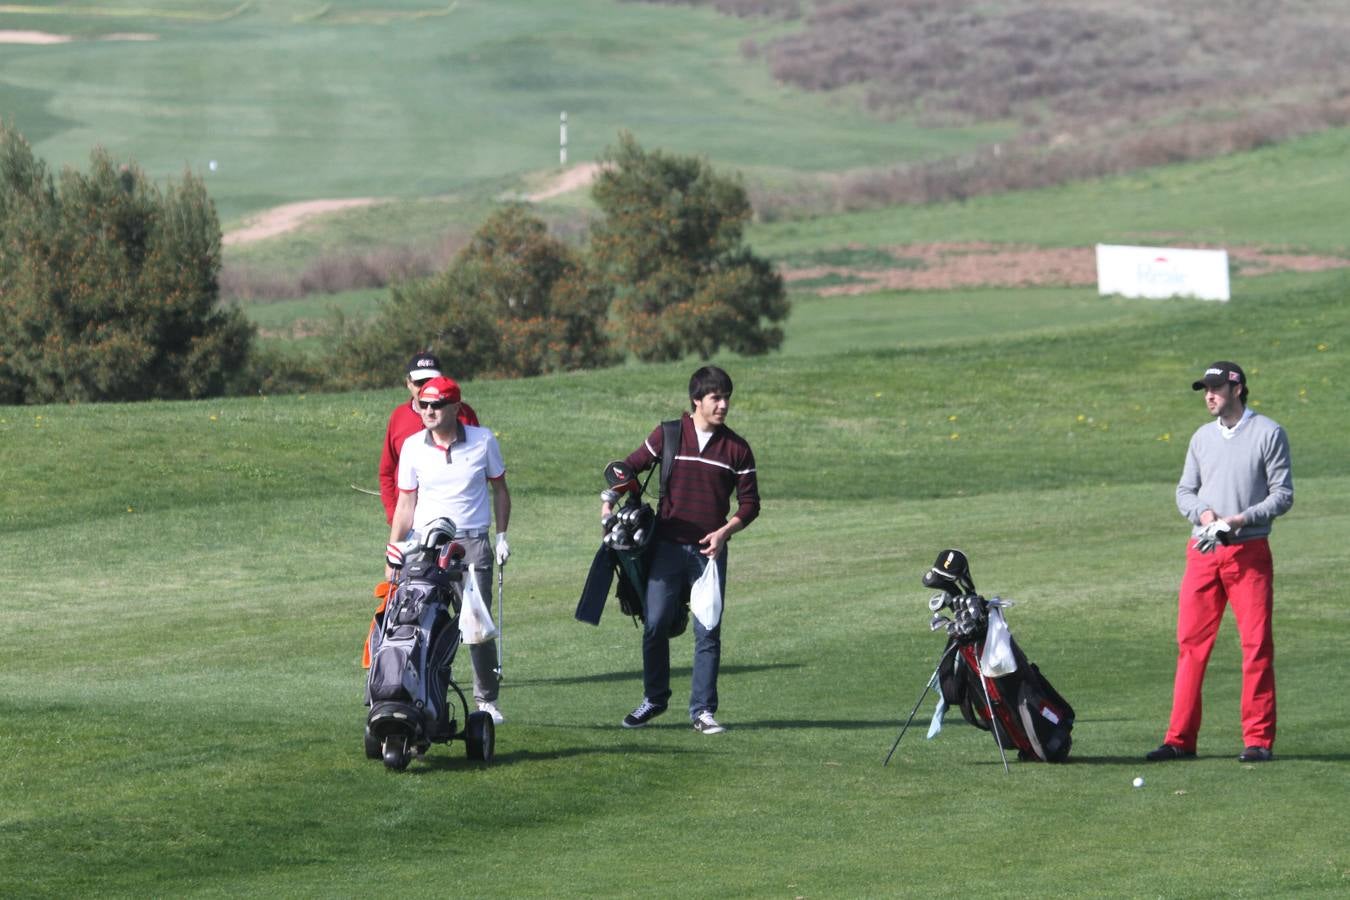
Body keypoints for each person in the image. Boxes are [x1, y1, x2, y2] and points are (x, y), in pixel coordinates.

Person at [1147, 361, 1293, 763]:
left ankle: (1258, 740)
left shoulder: (1268, 433)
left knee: (1256, 645)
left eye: (1215, 389)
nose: (1209, 396)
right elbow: (1185, 492)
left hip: (1249, 553)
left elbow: (1283, 495)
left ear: (1237, 389)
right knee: (1190, 646)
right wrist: (1207, 516)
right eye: (1205, 390)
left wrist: (1240, 519)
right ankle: (1179, 739)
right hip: (1204, 552)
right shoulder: (1201, 437)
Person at [603, 365, 760, 735]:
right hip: (667, 547)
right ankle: (654, 698)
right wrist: (608, 501)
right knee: (655, 622)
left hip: (709, 553)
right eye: (715, 398)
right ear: (696, 401)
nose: (723, 405)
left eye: (726, 398)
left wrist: (724, 532)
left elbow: (751, 504)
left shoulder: (737, 448)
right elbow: (629, 468)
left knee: (708, 631)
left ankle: (702, 711)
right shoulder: (669, 434)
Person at [387, 376, 510, 724]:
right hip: (427, 546)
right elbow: (406, 502)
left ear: (456, 407)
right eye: (424, 405)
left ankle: (486, 700)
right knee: (423, 621)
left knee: (476, 624)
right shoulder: (412, 446)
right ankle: (420, 695)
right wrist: (394, 549)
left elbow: (500, 490)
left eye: (437, 405)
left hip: (471, 543)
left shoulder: (482, 440)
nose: (428, 411)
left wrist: (501, 536)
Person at [379, 352, 481, 525]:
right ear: (408, 383)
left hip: (456, 520)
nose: (426, 387)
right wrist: (393, 514)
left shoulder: (462, 413)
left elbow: (478, 466)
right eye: (420, 383)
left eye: (431, 381)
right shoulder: (399, 416)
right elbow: (387, 472)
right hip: (409, 522)